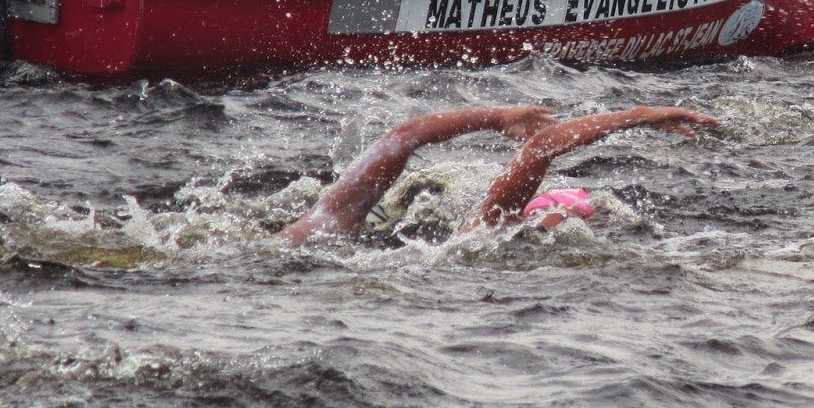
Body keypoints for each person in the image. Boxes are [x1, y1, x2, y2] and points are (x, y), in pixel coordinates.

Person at [280, 105, 719, 245]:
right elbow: (541, 147)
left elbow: (404, 137)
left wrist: (499, 118)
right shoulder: (478, 236)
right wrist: (641, 115)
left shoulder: (316, 226)